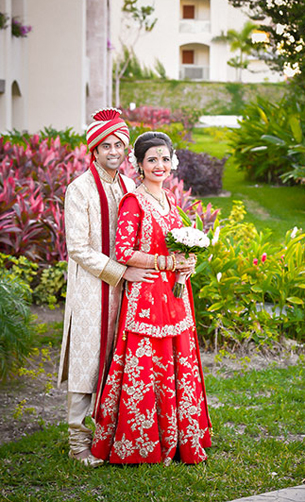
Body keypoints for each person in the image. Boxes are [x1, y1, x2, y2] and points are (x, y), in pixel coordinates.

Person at [91, 131, 212, 465]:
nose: (160, 165)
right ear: (139, 165)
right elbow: (124, 251)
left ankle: (178, 438)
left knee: (177, 359)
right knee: (149, 364)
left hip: (173, 295)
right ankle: (142, 442)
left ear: (172, 162)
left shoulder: (169, 199)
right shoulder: (135, 200)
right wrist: (165, 263)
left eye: (164, 158)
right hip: (146, 296)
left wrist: (186, 262)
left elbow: (172, 244)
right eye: (152, 160)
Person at [57, 108, 157, 467]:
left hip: (128, 288)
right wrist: (120, 272)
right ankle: (77, 440)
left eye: (119, 144)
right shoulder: (79, 188)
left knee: (119, 358)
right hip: (92, 287)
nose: (113, 151)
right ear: (94, 151)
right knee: (87, 360)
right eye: (106, 145)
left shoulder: (131, 186)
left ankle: (109, 431)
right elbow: (78, 248)